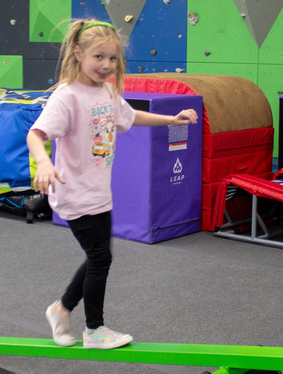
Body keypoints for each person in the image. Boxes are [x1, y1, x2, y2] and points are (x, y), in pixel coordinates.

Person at [26, 19, 198, 349]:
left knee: (99, 257)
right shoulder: (67, 97)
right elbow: (36, 133)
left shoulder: (106, 90)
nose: (106, 66)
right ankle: (94, 330)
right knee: (101, 258)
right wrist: (44, 162)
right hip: (73, 193)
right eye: (98, 57)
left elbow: (130, 117)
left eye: (113, 58)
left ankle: (61, 309)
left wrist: (170, 119)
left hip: (99, 191)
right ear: (78, 54)